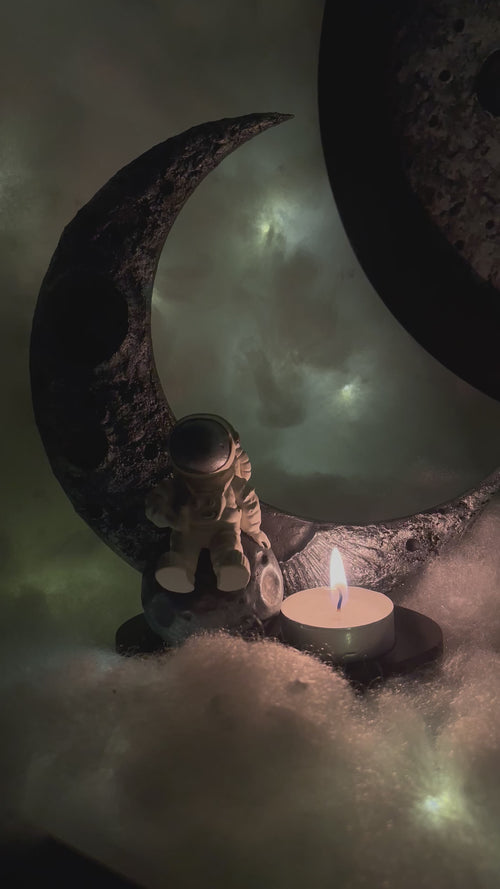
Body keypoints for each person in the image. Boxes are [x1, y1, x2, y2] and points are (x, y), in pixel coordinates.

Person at [145, 414, 270, 593]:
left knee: (209, 547)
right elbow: (250, 503)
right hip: (210, 527)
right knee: (223, 546)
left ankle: (220, 565)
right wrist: (253, 529)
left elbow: (155, 503)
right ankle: (186, 567)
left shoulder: (179, 483)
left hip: (192, 529)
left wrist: (168, 517)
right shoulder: (181, 484)